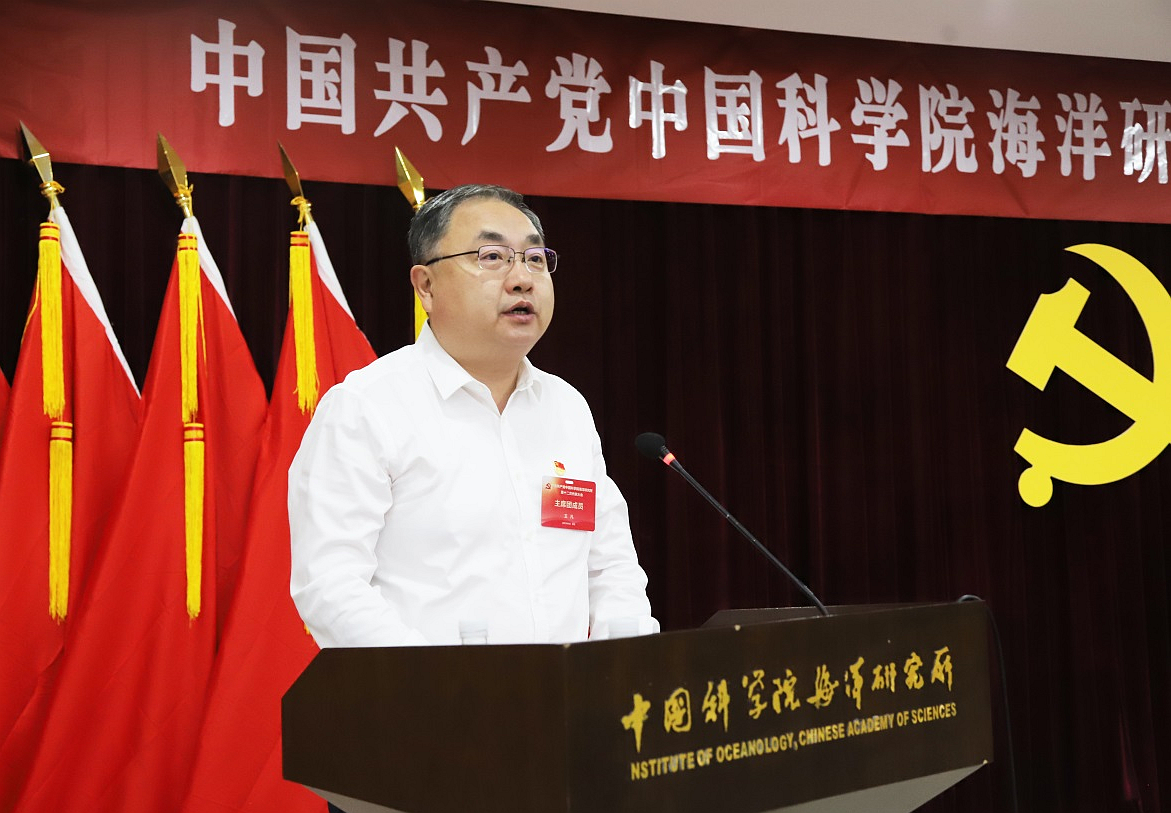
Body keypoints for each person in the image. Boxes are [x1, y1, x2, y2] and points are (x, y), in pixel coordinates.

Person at [288, 183, 657, 648]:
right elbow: (330, 584)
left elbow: (609, 566)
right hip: (428, 692)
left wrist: (624, 667)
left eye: (535, 258)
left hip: (566, 692)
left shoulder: (566, 408)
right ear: (426, 286)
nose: (522, 279)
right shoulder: (367, 407)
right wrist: (446, 683)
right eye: (492, 257)